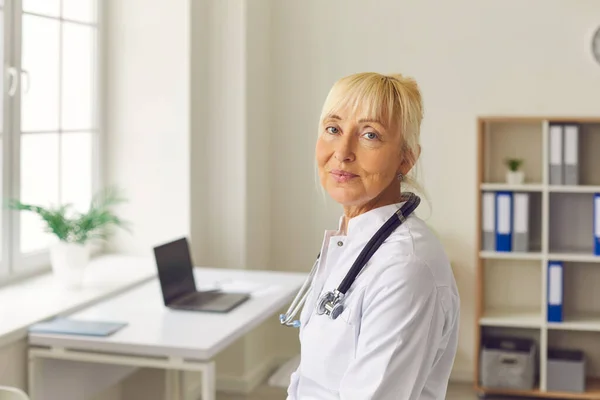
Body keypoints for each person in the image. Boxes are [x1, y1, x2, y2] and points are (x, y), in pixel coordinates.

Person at [285, 72, 460, 400]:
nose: (343, 151)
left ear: (406, 158)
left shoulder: (407, 268)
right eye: (333, 129)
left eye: (369, 135)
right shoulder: (352, 240)